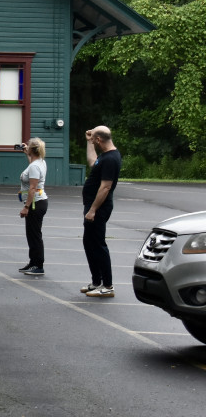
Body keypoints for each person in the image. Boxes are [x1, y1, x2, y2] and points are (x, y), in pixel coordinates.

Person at [81, 126, 121, 298]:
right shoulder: (104, 157)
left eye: (94, 140)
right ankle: (96, 282)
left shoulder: (111, 158)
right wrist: (89, 143)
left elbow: (105, 187)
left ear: (99, 140)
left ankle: (108, 285)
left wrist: (93, 210)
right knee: (88, 243)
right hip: (92, 207)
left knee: (98, 244)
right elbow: (92, 162)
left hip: (99, 208)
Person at [18, 138, 48, 276]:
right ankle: (33, 262)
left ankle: (38, 265)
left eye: (28, 146)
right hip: (38, 202)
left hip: (36, 203)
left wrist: (26, 207)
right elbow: (32, 169)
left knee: (35, 235)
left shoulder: (35, 166)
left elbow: (32, 188)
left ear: (33, 149)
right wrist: (27, 154)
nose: (26, 147)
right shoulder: (38, 162)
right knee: (31, 234)